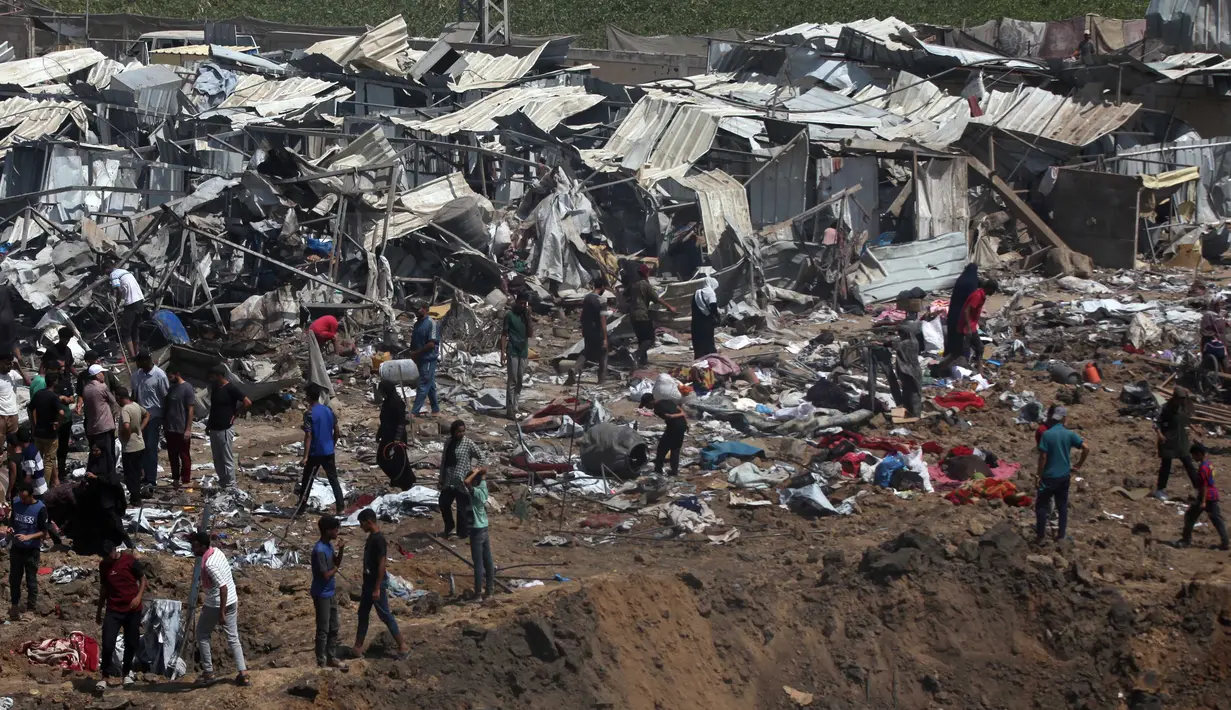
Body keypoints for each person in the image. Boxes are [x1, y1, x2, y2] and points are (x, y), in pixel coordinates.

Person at [189, 531, 250, 686]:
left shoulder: (209, 564)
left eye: (195, 546)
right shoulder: (217, 551)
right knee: (233, 637)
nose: (192, 548)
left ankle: (208, 673)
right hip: (232, 600)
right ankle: (243, 673)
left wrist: (221, 612)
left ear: (202, 546)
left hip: (217, 604)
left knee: (202, 634)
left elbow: (223, 588)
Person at [352, 509, 408, 659]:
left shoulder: (378, 540)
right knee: (363, 613)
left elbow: (381, 565)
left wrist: (377, 588)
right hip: (368, 583)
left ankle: (402, 646)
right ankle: (357, 647)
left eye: (361, 523)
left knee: (384, 614)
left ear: (369, 522)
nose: (360, 526)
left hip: (376, 584)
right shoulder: (372, 537)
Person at [95, 540, 146, 689]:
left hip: (132, 610)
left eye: (108, 555)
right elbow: (104, 588)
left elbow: (143, 579)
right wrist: (99, 610)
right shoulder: (104, 566)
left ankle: (126, 672)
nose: (106, 558)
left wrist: (138, 597)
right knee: (108, 642)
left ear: (114, 551)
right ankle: (105, 675)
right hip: (113, 609)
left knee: (131, 642)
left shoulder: (129, 561)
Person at [1035, 406, 1090, 543]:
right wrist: (1078, 465)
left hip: (1048, 476)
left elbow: (1043, 457)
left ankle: (1041, 536)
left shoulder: (1047, 435)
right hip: (1064, 476)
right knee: (1062, 506)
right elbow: (1086, 448)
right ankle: (1061, 536)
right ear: (1064, 419)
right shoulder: (1069, 434)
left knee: (1041, 505)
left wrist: (1038, 475)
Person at [297, 383, 343, 515]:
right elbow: (337, 431)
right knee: (333, 479)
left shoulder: (309, 413)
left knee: (307, 480)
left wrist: (305, 457)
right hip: (328, 451)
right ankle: (340, 507)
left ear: (308, 397)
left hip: (315, 452)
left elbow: (308, 435)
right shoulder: (328, 410)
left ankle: (301, 507)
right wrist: (332, 444)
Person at [5, 480, 48, 619]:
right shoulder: (16, 503)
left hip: (31, 550)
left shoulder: (40, 508)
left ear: (31, 496)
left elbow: (44, 532)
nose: (22, 500)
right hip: (17, 548)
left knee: (31, 579)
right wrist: (11, 527)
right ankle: (15, 605)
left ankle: (31, 608)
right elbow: (12, 519)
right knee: (14, 579)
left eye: (25, 498)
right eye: (21, 497)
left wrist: (29, 536)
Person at [206, 365, 250, 490]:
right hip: (214, 427)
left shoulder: (231, 388)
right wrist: (208, 425)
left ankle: (231, 484)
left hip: (225, 428)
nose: (211, 379)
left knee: (226, 457)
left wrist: (235, 413)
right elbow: (213, 409)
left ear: (219, 376)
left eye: (213, 376)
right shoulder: (215, 388)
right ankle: (223, 481)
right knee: (217, 457)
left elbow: (247, 402)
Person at [311, 515, 346, 669]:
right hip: (321, 593)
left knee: (334, 626)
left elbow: (335, 562)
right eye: (334, 529)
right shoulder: (319, 550)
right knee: (323, 628)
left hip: (330, 591)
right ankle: (321, 661)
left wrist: (342, 550)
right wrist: (336, 569)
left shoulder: (329, 546)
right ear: (327, 531)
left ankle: (331, 657)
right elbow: (326, 574)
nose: (337, 532)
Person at [438, 420, 484, 539]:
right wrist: (441, 478)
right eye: (459, 432)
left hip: (462, 481)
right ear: (453, 432)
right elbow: (444, 461)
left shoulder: (468, 443)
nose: (461, 434)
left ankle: (462, 534)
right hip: (448, 480)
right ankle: (449, 527)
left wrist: (474, 473)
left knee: (462, 509)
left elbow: (481, 457)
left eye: (463, 431)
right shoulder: (448, 443)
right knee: (443, 503)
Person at [1154, 387, 1201, 500]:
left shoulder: (1183, 408)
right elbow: (1156, 422)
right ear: (1174, 398)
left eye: (1183, 399)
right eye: (1180, 399)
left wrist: (1195, 429)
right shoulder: (1165, 408)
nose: (1182, 401)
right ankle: (1160, 490)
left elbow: (1186, 420)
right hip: (1168, 440)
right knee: (1166, 465)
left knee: (1189, 464)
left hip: (1181, 440)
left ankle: (1198, 489)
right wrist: (1160, 434)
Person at [130, 351, 169, 489]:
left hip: (154, 416)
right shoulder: (136, 376)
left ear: (146, 361)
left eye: (138, 362)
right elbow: (134, 396)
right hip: (139, 416)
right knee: (139, 446)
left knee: (151, 447)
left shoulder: (159, 375)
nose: (137, 364)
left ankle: (151, 479)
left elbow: (165, 398)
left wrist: (165, 418)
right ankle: (143, 475)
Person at [1181, 443, 1229, 550]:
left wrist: (1203, 501)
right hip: (1213, 495)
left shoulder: (1203, 468)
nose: (1193, 458)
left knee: (1190, 516)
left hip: (1206, 497)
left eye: (1194, 455)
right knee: (1217, 519)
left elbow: (1204, 485)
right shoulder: (1209, 464)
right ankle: (1225, 542)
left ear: (1198, 454)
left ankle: (1186, 540)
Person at [628, 264, 676, 367]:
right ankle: (636, 355)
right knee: (650, 339)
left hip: (633, 315)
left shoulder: (633, 285)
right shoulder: (645, 285)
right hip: (642, 315)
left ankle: (642, 362)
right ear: (646, 273)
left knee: (641, 339)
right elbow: (657, 299)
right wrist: (670, 307)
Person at [567, 276, 609, 386]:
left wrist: (584, 329)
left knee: (587, 351)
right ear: (603, 287)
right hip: (598, 332)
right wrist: (605, 338)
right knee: (603, 354)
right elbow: (603, 321)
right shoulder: (601, 301)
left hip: (588, 331)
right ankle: (601, 380)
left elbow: (582, 316)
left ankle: (575, 369)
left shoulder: (587, 298)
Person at [81, 363, 120, 482]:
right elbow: (113, 401)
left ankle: (92, 475)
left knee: (94, 453)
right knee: (108, 453)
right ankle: (110, 477)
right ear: (97, 376)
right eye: (102, 373)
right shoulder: (102, 387)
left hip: (92, 427)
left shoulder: (86, 388)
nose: (103, 375)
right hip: (104, 426)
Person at [29, 362, 64, 488]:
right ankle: (44, 487)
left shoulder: (39, 394)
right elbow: (61, 412)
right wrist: (58, 423)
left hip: (38, 432)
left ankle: (35, 484)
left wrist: (34, 424)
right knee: (48, 461)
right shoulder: (53, 397)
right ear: (54, 382)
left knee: (38, 460)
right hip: (50, 434)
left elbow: (30, 408)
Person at [500, 292, 532, 420]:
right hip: (512, 350)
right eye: (521, 303)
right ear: (517, 302)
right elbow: (504, 334)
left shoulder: (525, 316)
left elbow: (530, 334)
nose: (523, 305)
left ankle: (516, 406)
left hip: (523, 351)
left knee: (519, 380)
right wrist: (502, 353)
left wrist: (529, 318)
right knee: (512, 380)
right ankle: (509, 409)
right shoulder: (510, 315)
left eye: (525, 303)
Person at [464, 464, 494, 600]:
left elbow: (466, 482)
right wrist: (478, 473)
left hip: (476, 529)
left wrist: (474, 472)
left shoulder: (476, 492)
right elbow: (482, 476)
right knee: (488, 560)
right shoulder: (483, 488)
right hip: (484, 527)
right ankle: (489, 590)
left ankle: (478, 594)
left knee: (478, 564)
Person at [163, 368, 196, 487]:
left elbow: (191, 409)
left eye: (170, 375)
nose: (169, 378)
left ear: (177, 373)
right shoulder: (171, 389)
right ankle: (175, 479)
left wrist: (188, 429)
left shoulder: (187, 388)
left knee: (184, 455)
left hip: (181, 429)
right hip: (170, 429)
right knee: (172, 456)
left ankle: (186, 480)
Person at [376, 381, 412, 489]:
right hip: (387, 435)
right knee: (382, 459)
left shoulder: (397, 403)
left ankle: (405, 483)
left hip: (396, 438)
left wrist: (397, 438)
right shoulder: (386, 402)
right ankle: (397, 479)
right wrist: (379, 434)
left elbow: (401, 422)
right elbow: (384, 421)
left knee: (399, 462)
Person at [641, 393, 688, 476]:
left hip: (674, 428)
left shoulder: (657, 408)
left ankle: (658, 470)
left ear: (651, 402)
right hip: (682, 426)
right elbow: (679, 409)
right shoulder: (667, 401)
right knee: (675, 449)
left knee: (662, 448)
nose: (646, 407)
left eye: (646, 405)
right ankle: (674, 471)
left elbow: (668, 417)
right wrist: (685, 421)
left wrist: (677, 415)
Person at [116, 387, 149, 504]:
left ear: (119, 397)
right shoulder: (135, 405)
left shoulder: (125, 409)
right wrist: (140, 428)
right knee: (137, 471)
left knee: (131, 474)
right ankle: (137, 495)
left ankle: (135, 498)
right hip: (140, 444)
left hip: (130, 447)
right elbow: (147, 415)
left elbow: (126, 425)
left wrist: (126, 436)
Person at [957, 279, 998, 372]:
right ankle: (964, 369)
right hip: (966, 327)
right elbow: (966, 310)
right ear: (989, 288)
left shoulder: (981, 295)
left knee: (979, 347)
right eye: (994, 290)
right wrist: (968, 326)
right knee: (965, 350)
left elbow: (973, 312)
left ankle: (979, 366)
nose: (994, 292)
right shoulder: (977, 296)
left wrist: (978, 321)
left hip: (972, 326)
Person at [409, 301, 441, 417]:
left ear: (425, 309)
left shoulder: (431, 323)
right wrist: (412, 353)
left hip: (428, 359)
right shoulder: (417, 324)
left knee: (423, 385)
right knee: (430, 384)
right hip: (419, 359)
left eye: (418, 309)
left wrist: (416, 353)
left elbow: (431, 344)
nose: (416, 311)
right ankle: (436, 409)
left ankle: (414, 412)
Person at [109, 260, 145, 360]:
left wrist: (117, 304)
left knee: (125, 330)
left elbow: (119, 290)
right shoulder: (124, 271)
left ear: (106, 270)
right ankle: (137, 353)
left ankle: (133, 357)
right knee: (135, 328)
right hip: (140, 300)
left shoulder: (113, 275)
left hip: (131, 303)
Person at [945, 264, 979, 362]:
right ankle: (960, 357)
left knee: (952, 333)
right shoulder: (972, 281)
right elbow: (971, 299)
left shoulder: (960, 279)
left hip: (953, 310)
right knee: (961, 335)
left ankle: (949, 353)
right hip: (963, 311)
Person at [0, 353, 22, 483]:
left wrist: (18, 366)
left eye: (10, 363)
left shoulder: (12, 374)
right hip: (1, 415)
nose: (9, 366)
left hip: (13, 413)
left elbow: (27, 382)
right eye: (6, 363)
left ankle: (11, 466)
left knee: (13, 443)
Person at [9, 431, 47, 498]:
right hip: (41, 485)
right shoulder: (32, 447)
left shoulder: (28, 454)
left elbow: (28, 477)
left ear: (20, 441)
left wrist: (21, 490)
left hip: (37, 490)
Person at [691, 276, 721, 360]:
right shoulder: (711, 293)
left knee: (698, 341)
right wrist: (717, 318)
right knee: (708, 341)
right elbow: (713, 307)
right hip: (706, 322)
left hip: (696, 322)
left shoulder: (697, 292)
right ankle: (711, 359)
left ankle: (699, 358)